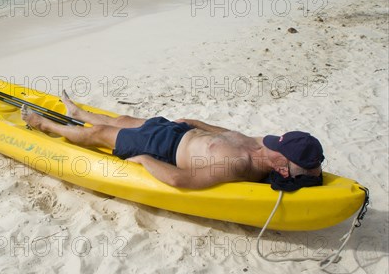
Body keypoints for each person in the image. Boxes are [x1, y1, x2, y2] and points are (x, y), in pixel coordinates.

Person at [21, 91, 325, 189]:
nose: (272, 143)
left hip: (162, 148)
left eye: (278, 148)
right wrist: (195, 122)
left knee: (98, 135)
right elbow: (224, 133)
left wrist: (144, 159)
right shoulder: (264, 144)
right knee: (122, 120)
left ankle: (43, 124)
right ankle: (76, 110)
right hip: (177, 131)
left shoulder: (238, 164)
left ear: (283, 166)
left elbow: (181, 180)